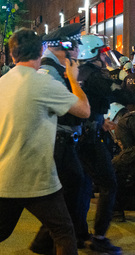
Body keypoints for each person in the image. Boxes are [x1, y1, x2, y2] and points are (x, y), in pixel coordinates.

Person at [0, 28, 90, 255]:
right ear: (40, 52)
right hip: (37, 179)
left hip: (4, 177)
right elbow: (84, 111)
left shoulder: (2, 83)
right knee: (63, 232)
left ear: (12, 55)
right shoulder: (44, 84)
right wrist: (73, 78)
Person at [28, 23, 87, 254]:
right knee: (66, 191)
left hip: (60, 141)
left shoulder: (55, 68)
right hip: (57, 142)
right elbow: (74, 110)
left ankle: (46, 243)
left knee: (69, 189)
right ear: (64, 47)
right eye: (74, 46)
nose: (77, 51)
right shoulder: (49, 72)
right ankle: (48, 243)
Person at [76, 34, 122, 254]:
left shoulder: (78, 73)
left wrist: (98, 119)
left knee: (83, 187)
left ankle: (78, 233)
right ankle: (99, 237)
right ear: (92, 53)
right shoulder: (95, 76)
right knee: (108, 184)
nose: (105, 57)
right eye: (102, 53)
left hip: (81, 135)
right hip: (90, 138)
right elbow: (122, 92)